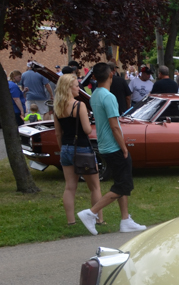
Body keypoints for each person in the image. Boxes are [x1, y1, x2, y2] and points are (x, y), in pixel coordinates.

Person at [76, 62, 146, 235]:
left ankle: (125, 220)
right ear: (111, 75)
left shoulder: (95, 96)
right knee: (124, 185)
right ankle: (91, 213)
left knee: (120, 182)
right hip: (113, 146)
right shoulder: (108, 97)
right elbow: (114, 126)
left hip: (104, 146)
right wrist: (124, 148)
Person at [53, 73, 103, 227]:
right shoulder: (79, 105)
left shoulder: (57, 107)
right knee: (94, 186)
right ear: (69, 88)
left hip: (66, 148)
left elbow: (57, 133)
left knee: (69, 186)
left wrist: (63, 149)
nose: (78, 88)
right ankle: (99, 219)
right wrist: (87, 118)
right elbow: (87, 130)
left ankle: (71, 221)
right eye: (76, 86)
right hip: (82, 147)